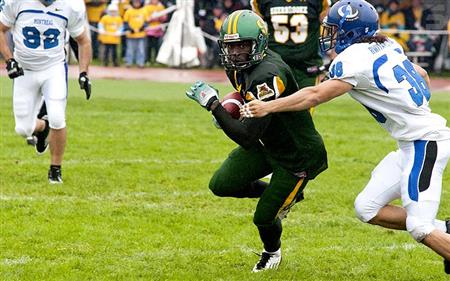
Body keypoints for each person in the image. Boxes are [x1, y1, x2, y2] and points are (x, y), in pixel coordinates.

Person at [241, 0, 450, 274]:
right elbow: (421, 74)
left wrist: (268, 106)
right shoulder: (387, 44)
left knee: (419, 227)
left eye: (335, 30)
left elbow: (315, 95)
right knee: (367, 208)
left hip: (425, 143)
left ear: (351, 31)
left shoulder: (353, 59)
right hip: (412, 143)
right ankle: (445, 230)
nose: (330, 35)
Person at [186, 10, 328, 272]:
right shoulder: (238, 66)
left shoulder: (267, 74)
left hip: (297, 155)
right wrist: (232, 108)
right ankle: (280, 196)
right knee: (221, 184)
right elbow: (249, 121)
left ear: (260, 43)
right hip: (268, 143)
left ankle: (271, 253)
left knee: (264, 217)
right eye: (232, 46)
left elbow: (246, 135)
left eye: (243, 45)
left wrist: (215, 105)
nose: (237, 53)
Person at [0, 0, 92, 184]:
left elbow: (83, 41)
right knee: (23, 129)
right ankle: (43, 127)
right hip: (24, 69)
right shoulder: (18, 2)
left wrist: (83, 73)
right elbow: (1, 29)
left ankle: (55, 169)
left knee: (58, 117)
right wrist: (9, 60)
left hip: (53, 68)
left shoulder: (70, 6)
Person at [250, 0, 331, 89]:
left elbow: (329, 25)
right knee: (277, 101)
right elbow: (255, 28)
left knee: (306, 99)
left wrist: (333, 53)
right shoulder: (260, 2)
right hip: (276, 64)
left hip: (308, 64)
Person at [123, 0, 148, 67]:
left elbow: (146, 22)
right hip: (131, 35)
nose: (136, 3)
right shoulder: (128, 11)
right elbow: (125, 22)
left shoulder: (144, 11)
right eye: (135, 2)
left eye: (138, 2)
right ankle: (129, 62)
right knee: (130, 50)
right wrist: (130, 29)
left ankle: (140, 63)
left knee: (141, 50)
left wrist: (141, 28)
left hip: (141, 34)